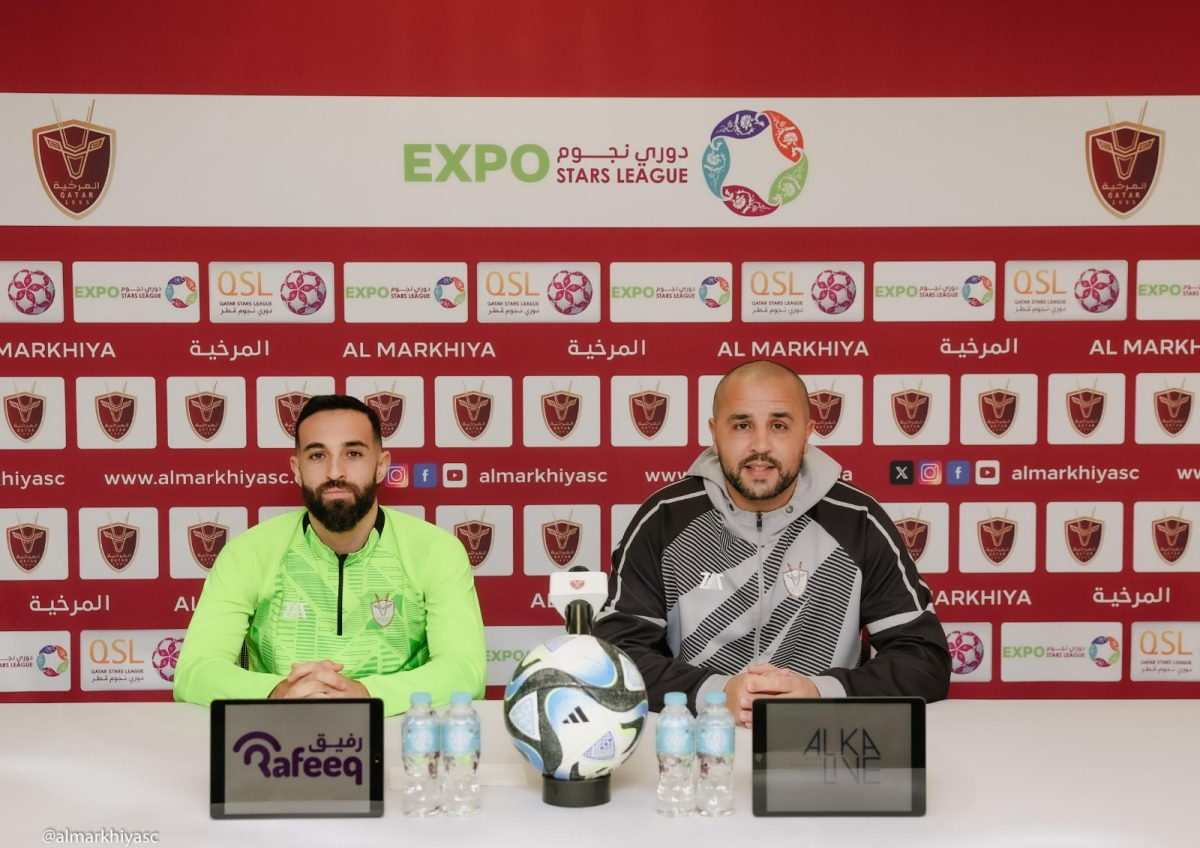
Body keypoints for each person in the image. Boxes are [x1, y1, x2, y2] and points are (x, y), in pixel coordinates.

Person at [592, 360, 950, 725]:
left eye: (779, 425)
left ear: (807, 434)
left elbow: (924, 659)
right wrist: (713, 694)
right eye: (742, 425)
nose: (760, 446)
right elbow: (614, 656)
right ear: (715, 434)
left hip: (822, 743)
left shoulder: (858, 519)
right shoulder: (664, 519)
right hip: (700, 741)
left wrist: (820, 694)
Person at [174, 394, 486, 715]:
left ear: (381, 466)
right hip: (279, 741)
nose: (335, 471)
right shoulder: (248, 552)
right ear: (297, 469)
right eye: (317, 455)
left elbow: (465, 670)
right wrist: (274, 693)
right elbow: (193, 672)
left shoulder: (435, 551)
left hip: (400, 739)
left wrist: (366, 695)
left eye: (353, 453)